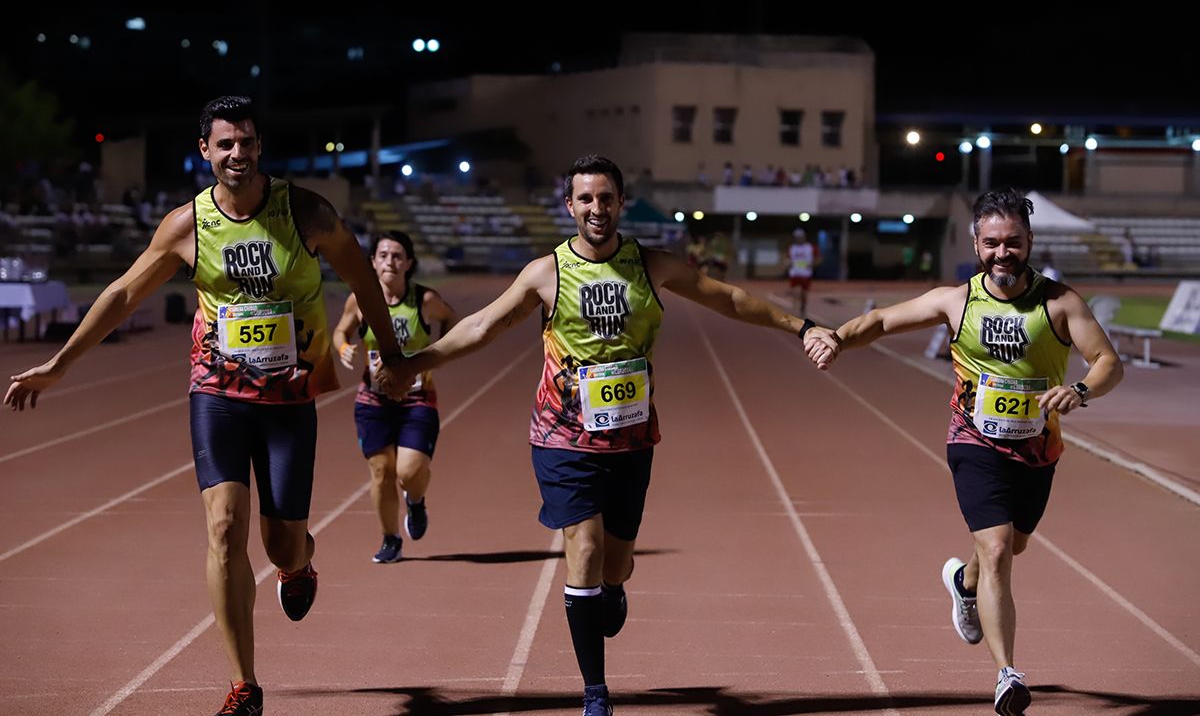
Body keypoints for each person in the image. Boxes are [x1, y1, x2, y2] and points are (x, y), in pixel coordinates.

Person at [4, 95, 408, 716]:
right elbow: (121, 293)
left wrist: (395, 358)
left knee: (282, 546)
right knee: (223, 530)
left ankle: (301, 565)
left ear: (259, 146)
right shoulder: (186, 226)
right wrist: (60, 365)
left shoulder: (305, 212)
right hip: (217, 395)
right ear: (205, 152)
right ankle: (244, 685)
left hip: (289, 399)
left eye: (246, 141)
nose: (237, 153)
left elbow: (362, 281)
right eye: (225, 144)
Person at [393, 154, 828, 716]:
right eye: (586, 199)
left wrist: (801, 326)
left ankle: (615, 588)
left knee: (615, 563)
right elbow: (482, 325)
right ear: (569, 205)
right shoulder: (546, 272)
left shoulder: (651, 265)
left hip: (630, 440)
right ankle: (595, 691)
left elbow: (727, 298)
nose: (596, 208)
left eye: (606, 198)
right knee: (586, 549)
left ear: (621, 202)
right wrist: (413, 362)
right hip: (561, 438)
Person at [804, 189, 1123, 716]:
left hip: (1039, 449)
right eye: (992, 243)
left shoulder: (1060, 303)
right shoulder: (958, 301)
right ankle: (1008, 676)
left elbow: (1108, 361)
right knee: (998, 550)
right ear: (976, 244)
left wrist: (1082, 389)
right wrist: (837, 336)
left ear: (1029, 242)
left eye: (1013, 243)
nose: (1003, 253)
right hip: (973, 441)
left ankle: (962, 581)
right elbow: (883, 320)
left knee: (1012, 546)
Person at [331, 230, 456, 563]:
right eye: (383, 255)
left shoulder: (424, 301)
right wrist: (344, 346)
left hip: (417, 399)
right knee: (382, 471)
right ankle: (390, 539)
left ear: (409, 263)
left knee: (408, 471)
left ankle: (415, 502)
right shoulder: (360, 300)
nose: (390, 261)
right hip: (374, 401)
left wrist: (435, 353)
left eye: (398, 255)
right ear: (373, 262)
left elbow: (449, 319)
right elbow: (341, 329)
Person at [786, 228, 820, 317]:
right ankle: (794, 310)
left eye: (800, 237)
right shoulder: (792, 248)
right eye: (797, 237)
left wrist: (813, 264)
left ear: (804, 237)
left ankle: (802, 308)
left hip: (806, 273)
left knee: (803, 294)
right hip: (794, 273)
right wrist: (787, 262)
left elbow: (819, 258)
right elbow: (787, 258)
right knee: (795, 292)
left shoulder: (810, 247)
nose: (799, 239)